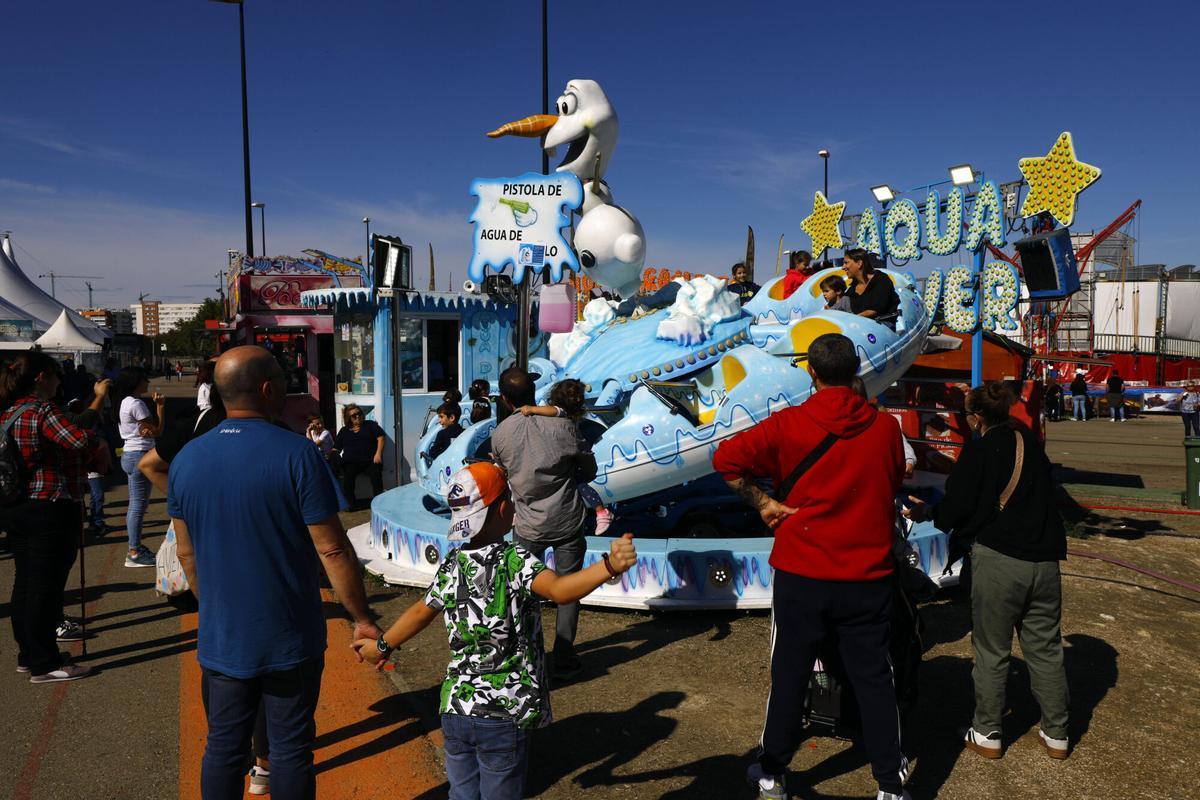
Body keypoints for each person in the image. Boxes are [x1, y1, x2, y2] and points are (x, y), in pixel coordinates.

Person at [352, 462, 638, 800]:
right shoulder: (514, 559)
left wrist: (381, 646)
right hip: (503, 713)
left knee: (461, 795)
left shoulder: (452, 563)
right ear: (503, 507)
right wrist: (609, 567)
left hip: (456, 707)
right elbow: (562, 591)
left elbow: (419, 612)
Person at [168, 345, 381, 800]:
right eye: (284, 380)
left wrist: (218, 608)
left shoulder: (187, 459)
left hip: (222, 635)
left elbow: (186, 555)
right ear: (268, 389)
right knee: (288, 750)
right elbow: (333, 550)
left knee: (224, 747)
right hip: (289, 634)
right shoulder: (298, 454)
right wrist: (362, 618)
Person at [712, 333, 911, 800]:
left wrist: (765, 502)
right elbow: (892, 481)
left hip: (803, 571)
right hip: (868, 572)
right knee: (875, 677)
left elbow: (725, 460)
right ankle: (889, 783)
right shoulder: (885, 430)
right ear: (856, 371)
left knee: (791, 673)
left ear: (812, 373)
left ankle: (773, 770)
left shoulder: (789, 424)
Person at [904, 383, 1069, 761]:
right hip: (1045, 561)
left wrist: (929, 513)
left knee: (992, 649)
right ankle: (1057, 733)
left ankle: (988, 731)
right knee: (1045, 648)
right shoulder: (1029, 443)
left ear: (977, 417)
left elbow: (958, 506)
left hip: (999, 560)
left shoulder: (981, 450)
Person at [491, 367, 597, 677]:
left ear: (505, 399)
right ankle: (563, 656)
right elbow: (588, 470)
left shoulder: (500, 435)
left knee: (522, 592)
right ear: (533, 393)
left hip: (527, 526)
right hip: (567, 520)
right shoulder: (563, 426)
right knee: (569, 589)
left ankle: (523, 654)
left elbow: (501, 476)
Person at [0, 351, 95, 683]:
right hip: (49, 503)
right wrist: (87, 421)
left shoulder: (9, 412)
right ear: (41, 377)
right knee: (47, 587)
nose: (59, 381)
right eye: (56, 376)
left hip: (14, 506)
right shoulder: (43, 409)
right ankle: (45, 662)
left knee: (25, 584)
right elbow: (78, 440)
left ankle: (29, 654)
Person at [517, 378, 615, 535]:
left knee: (576, 483)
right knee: (579, 485)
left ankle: (601, 512)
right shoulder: (572, 415)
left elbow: (553, 410)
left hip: (566, 457)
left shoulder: (559, 413)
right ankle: (600, 511)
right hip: (570, 454)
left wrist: (532, 409)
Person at [116, 367, 164, 567]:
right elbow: (157, 431)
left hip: (130, 453)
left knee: (137, 503)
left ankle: (135, 548)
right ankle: (134, 551)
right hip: (140, 455)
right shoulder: (136, 404)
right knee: (138, 506)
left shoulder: (125, 402)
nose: (147, 383)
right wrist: (160, 407)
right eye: (145, 379)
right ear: (136, 382)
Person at [334, 403, 385, 509]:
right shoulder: (344, 431)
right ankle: (351, 505)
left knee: (376, 476)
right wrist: (334, 456)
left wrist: (378, 454)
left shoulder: (370, 425)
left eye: (359, 413)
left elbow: (381, 438)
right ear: (348, 418)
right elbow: (336, 448)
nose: (358, 416)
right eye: (354, 415)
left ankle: (379, 504)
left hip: (370, 460)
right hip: (351, 462)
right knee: (348, 478)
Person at [843, 249, 899, 325]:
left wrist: (851, 320)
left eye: (846, 263)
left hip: (883, 326)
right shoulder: (852, 290)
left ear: (859, 263)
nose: (843, 267)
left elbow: (875, 309)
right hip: (859, 326)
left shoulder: (881, 279)